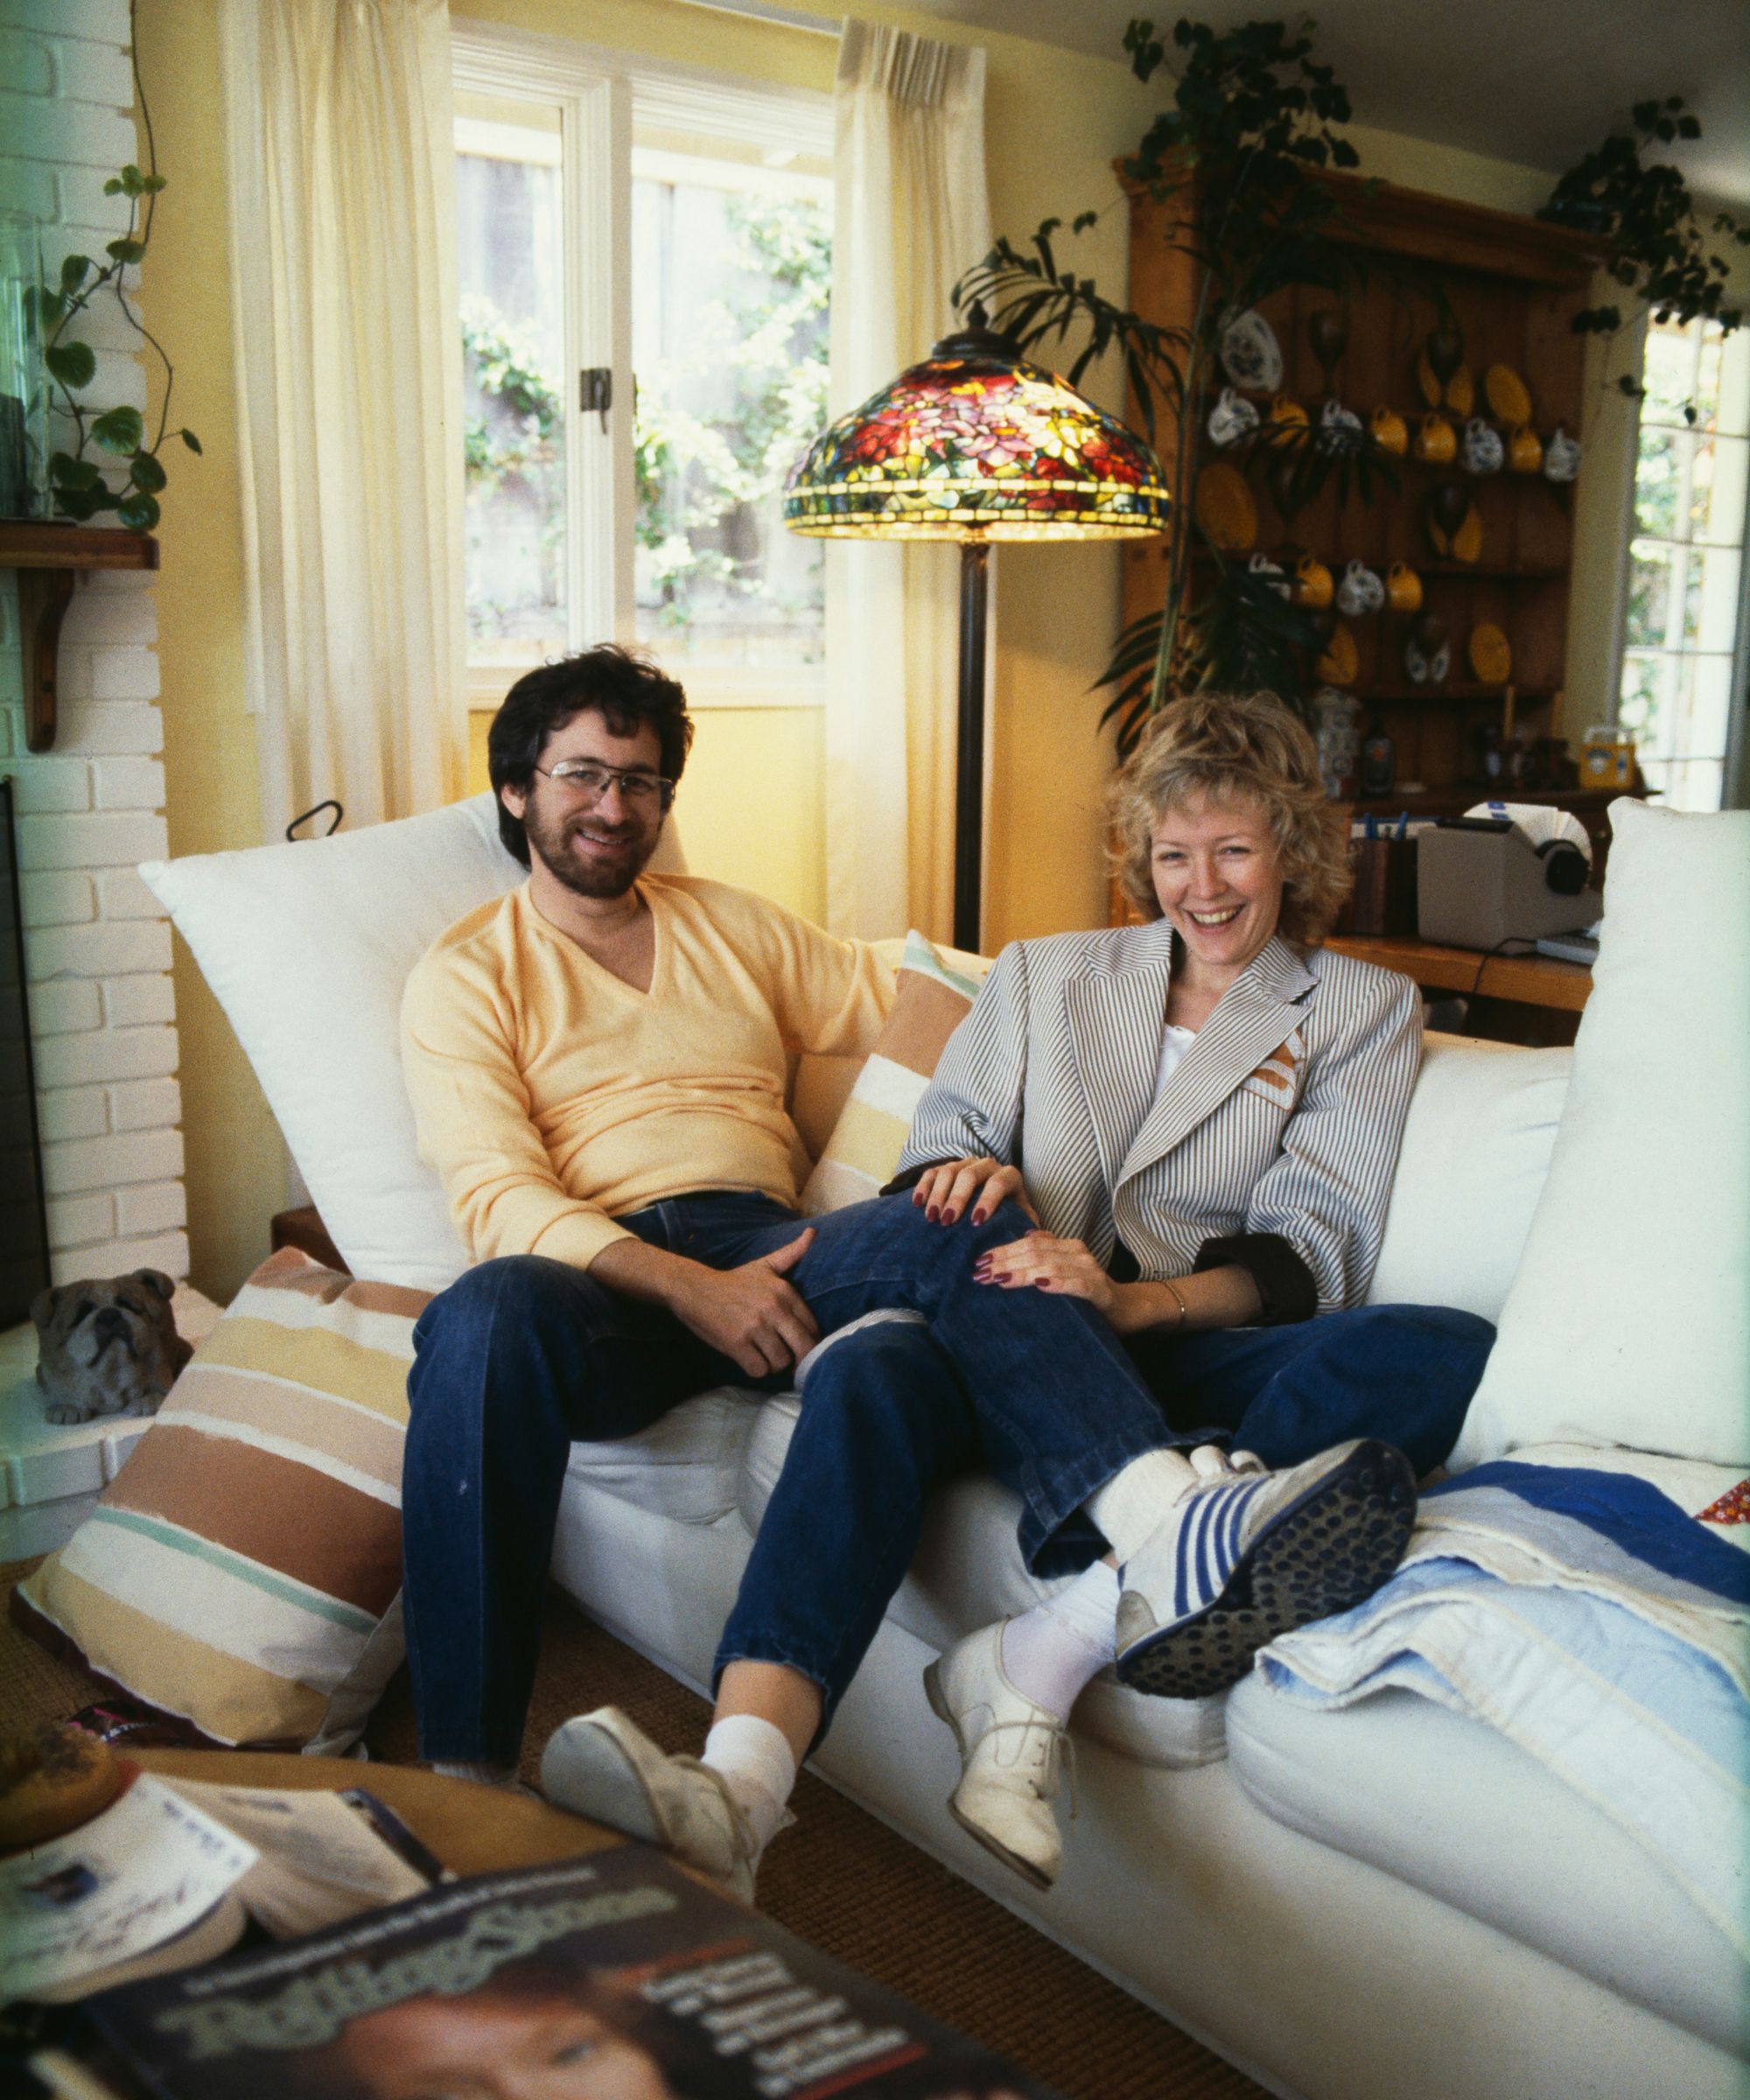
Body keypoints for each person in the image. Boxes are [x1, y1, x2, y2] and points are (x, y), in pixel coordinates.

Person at [402, 653, 1488, 1903]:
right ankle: (467, 1779)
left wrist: (1125, 1297)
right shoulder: (471, 972)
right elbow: (506, 1196)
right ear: (517, 789)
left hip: (1037, 1298)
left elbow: (1317, 1235)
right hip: (638, 1274)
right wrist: (954, 1189)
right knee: (492, 1314)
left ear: (1291, 849)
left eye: (638, 780)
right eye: (583, 775)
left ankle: (1023, 1647)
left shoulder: (1357, 1006)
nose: (611, 804)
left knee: (1441, 1346)